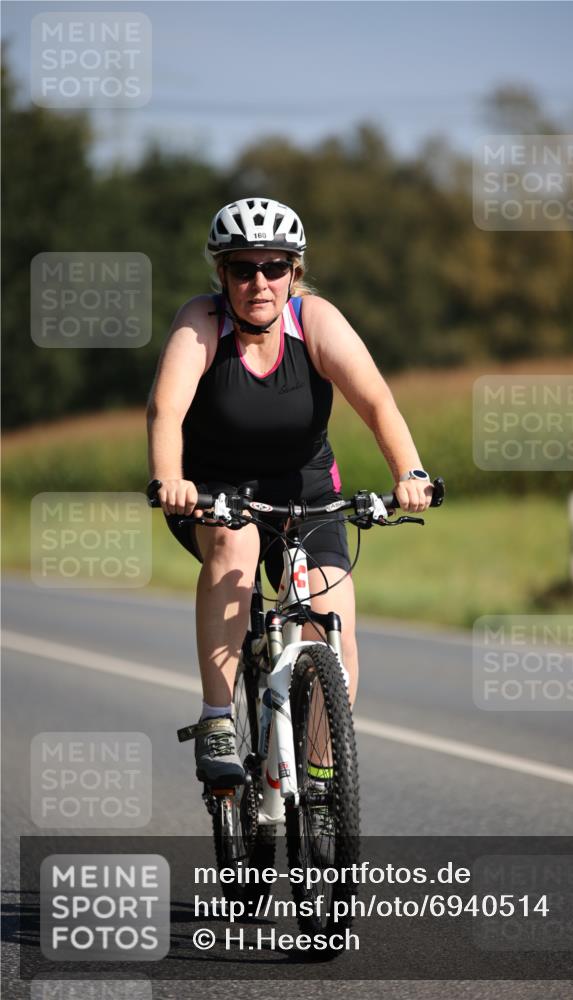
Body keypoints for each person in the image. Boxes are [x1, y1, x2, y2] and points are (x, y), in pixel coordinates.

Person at [146, 196, 433, 788]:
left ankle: (324, 776)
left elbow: (377, 402)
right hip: (215, 491)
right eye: (243, 267)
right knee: (236, 550)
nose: (260, 281)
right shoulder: (202, 323)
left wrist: (410, 472)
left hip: (306, 490)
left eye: (274, 267)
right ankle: (218, 718)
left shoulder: (315, 321)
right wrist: (171, 480)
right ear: (221, 274)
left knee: (335, 622)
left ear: (294, 273)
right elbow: (166, 409)